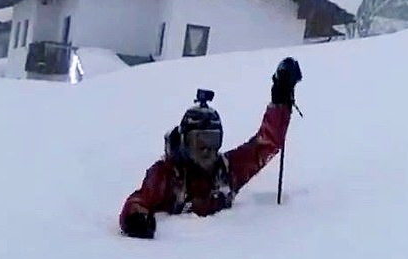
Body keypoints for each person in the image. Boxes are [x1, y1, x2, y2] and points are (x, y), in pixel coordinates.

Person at [119, 57, 303, 239]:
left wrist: (281, 101)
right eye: (200, 143)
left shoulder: (228, 171)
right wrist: (137, 219)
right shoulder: (166, 175)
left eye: (214, 141)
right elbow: (138, 201)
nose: (208, 150)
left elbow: (266, 145)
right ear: (185, 142)